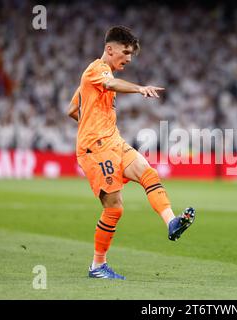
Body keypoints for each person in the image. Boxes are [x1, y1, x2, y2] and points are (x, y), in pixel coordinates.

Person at [67, 26, 195, 279]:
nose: (128, 58)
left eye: (131, 55)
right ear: (109, 49)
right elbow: (111, 83)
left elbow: (72, 109)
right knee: (114, 208)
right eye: (125, 52)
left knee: (148, 173)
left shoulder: (93, 78)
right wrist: (138, 88)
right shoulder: (97, 70)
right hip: (96, 148)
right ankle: (97, 266)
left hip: (114, 140)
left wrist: (89, 119)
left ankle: (171, 221)